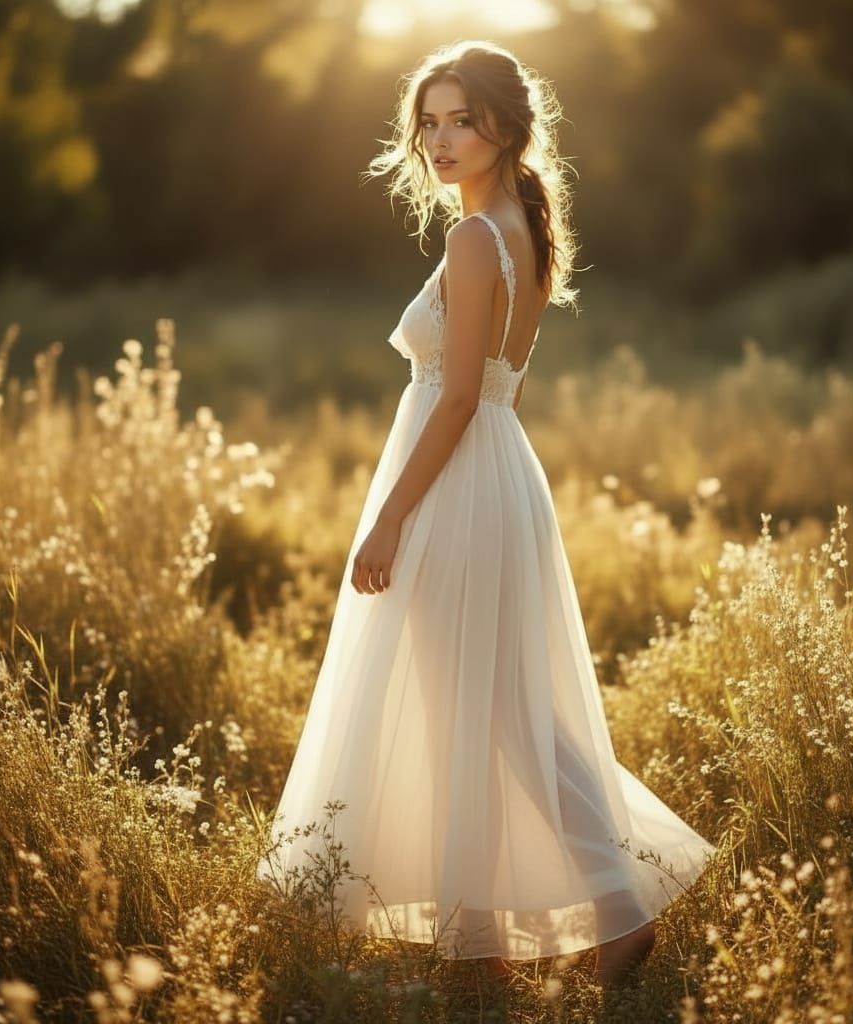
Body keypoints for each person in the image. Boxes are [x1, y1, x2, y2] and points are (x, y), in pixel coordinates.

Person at [257, 39, 715, 987]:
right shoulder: (519, 226)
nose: (440, 139)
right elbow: (493, 390)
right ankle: (488, 936)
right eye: (429, 122)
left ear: (504, 127)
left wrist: (390, 517)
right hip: (494, 473)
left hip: (457, 480)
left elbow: (460, 395)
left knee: (488, 709)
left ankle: (609, 912)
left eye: (460, 121)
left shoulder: (477, 239)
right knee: (491, 708)